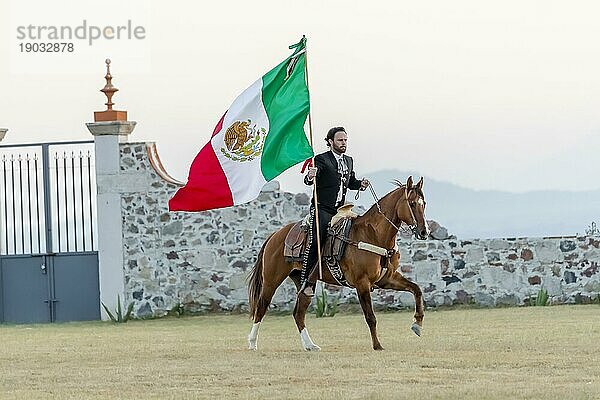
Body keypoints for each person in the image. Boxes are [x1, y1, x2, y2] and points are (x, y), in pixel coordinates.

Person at [301, 126, 369, 295]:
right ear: (330, 142)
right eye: (340, 140)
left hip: (341, 209)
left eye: (345, 140)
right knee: (318, 239)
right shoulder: (321, 159)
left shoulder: (349, 160)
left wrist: (360, 184)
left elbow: (350, 181)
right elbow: (309, 181)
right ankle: (308, 282)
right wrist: (311, 176)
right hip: (322, 208)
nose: (343, 143)